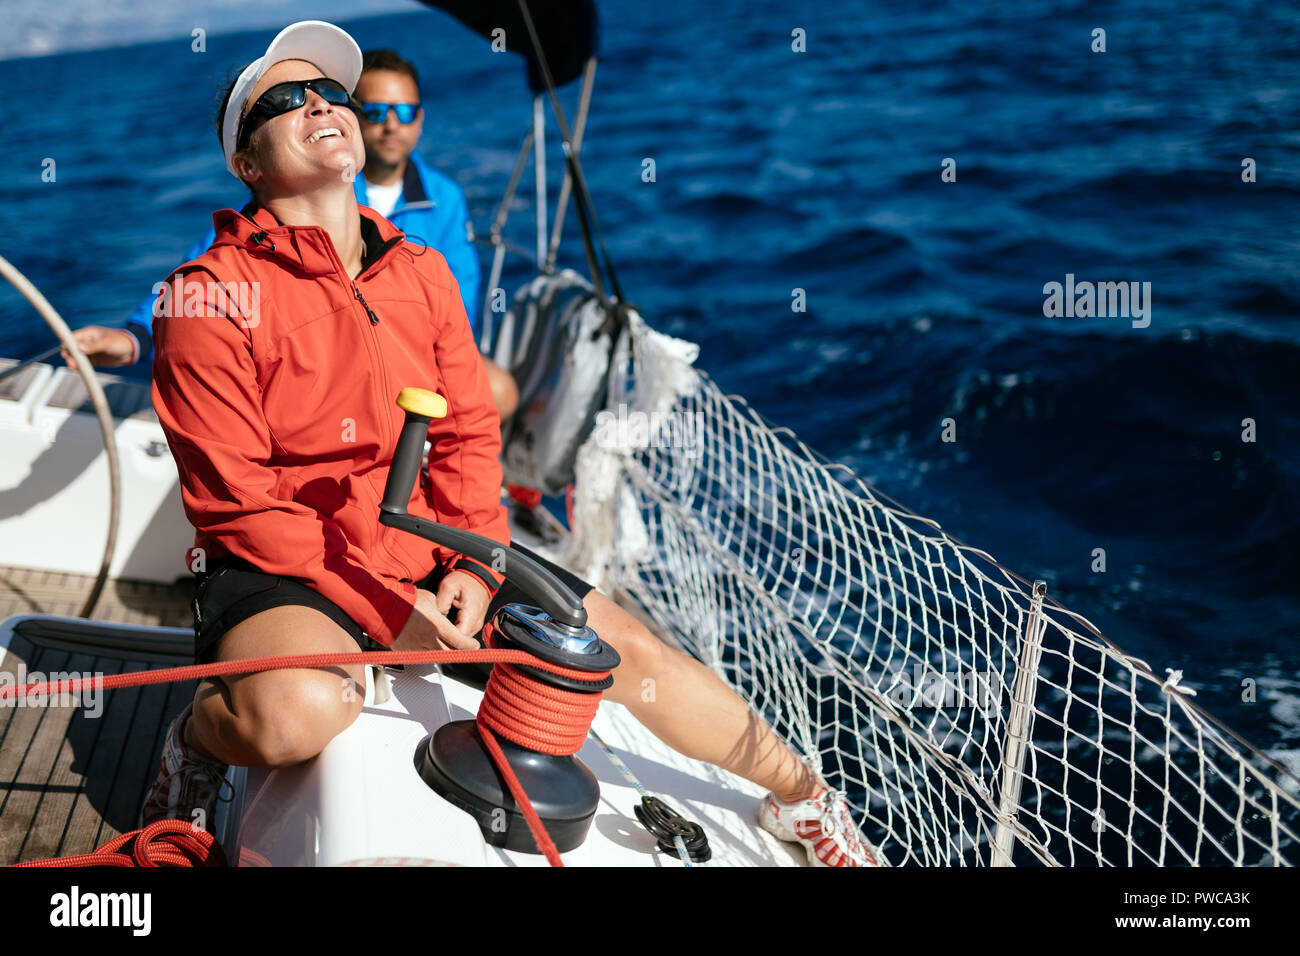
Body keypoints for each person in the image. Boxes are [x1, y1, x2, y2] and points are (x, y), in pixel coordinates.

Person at [140, 20, 881, 867]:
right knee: (293, 716)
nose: (321, 104)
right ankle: (197, 736)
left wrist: (475, 563)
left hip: (425, 545)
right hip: (292, 566)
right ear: (246, 162)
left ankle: (805, 799)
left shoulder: (420, 272)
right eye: (283, 98)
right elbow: (239, 505)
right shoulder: (205, 298)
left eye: (332, 92)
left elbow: (466, 433)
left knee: (623, 651)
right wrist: (387, 612)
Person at [66, 48, 519, 422]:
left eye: (404, 112)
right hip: (327, 356)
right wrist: (135, 341)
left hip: (411, 347)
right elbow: (207, 274)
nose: (390, 123)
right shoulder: (311, 188)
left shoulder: (444, 198)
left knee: (493, 390)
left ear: (420, 120)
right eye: (375, 110)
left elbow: (461, 296)